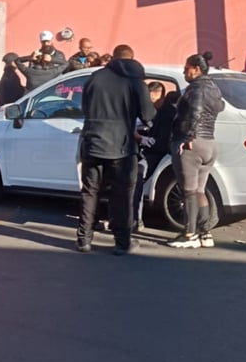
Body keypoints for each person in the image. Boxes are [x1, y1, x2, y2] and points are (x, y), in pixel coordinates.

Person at [77, 44, 156, 256]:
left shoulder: (95, 77)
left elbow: (84, 108)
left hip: (92, 142)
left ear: (113, 58)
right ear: (132, 59)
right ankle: (122, 243)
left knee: (89, 192)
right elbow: (148, 114)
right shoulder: (135, 81)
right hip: (121, 146)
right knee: (122, 196)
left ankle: (84, 240)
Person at [167, 52, 225, 249]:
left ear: (196, 69)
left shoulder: (196, 88)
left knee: (188, 191)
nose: (184, 72)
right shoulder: (214, 88)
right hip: (209, 142)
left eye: (186, 69)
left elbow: (196, 110)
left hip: (193, 143)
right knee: (200, 190)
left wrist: (189, 136)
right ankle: (205, 233)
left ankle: (189, 234)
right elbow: (220, 106)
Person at [133, 90, 179, 230]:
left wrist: (144, 142)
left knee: (136, 178)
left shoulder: (166, 113)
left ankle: (135, 219)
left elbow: (160, 138)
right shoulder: (169, 112)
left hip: (156, 153)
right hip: (163, 151)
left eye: (154, 98)